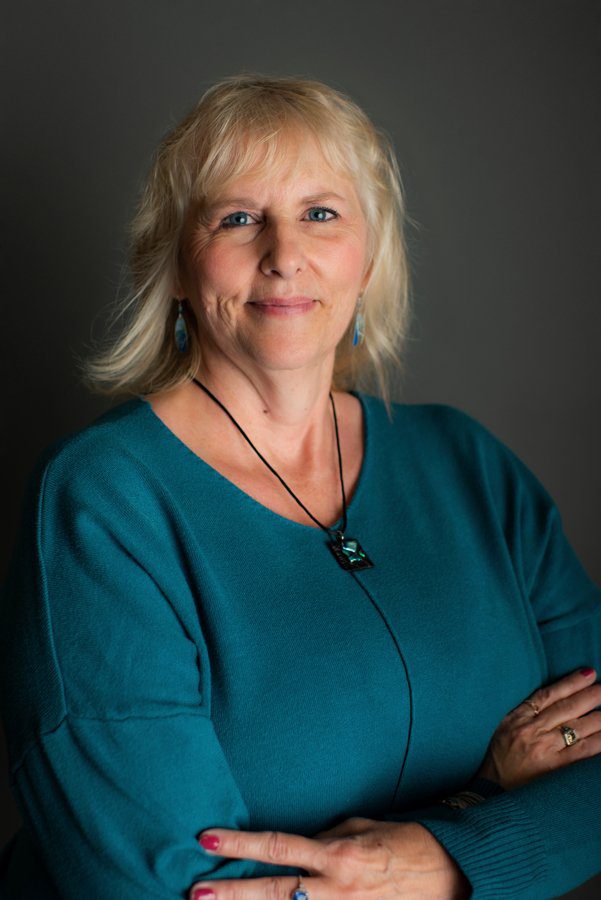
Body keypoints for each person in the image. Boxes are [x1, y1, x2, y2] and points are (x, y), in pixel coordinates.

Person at [0, 73, 600, 900]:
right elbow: (169, 888)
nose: (284, 255)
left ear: (369, 258)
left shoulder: (468, 463)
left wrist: (435, 859)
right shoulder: (102, 501)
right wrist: (488, 814)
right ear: (175, 264)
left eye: (321, 213)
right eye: (238, 218)